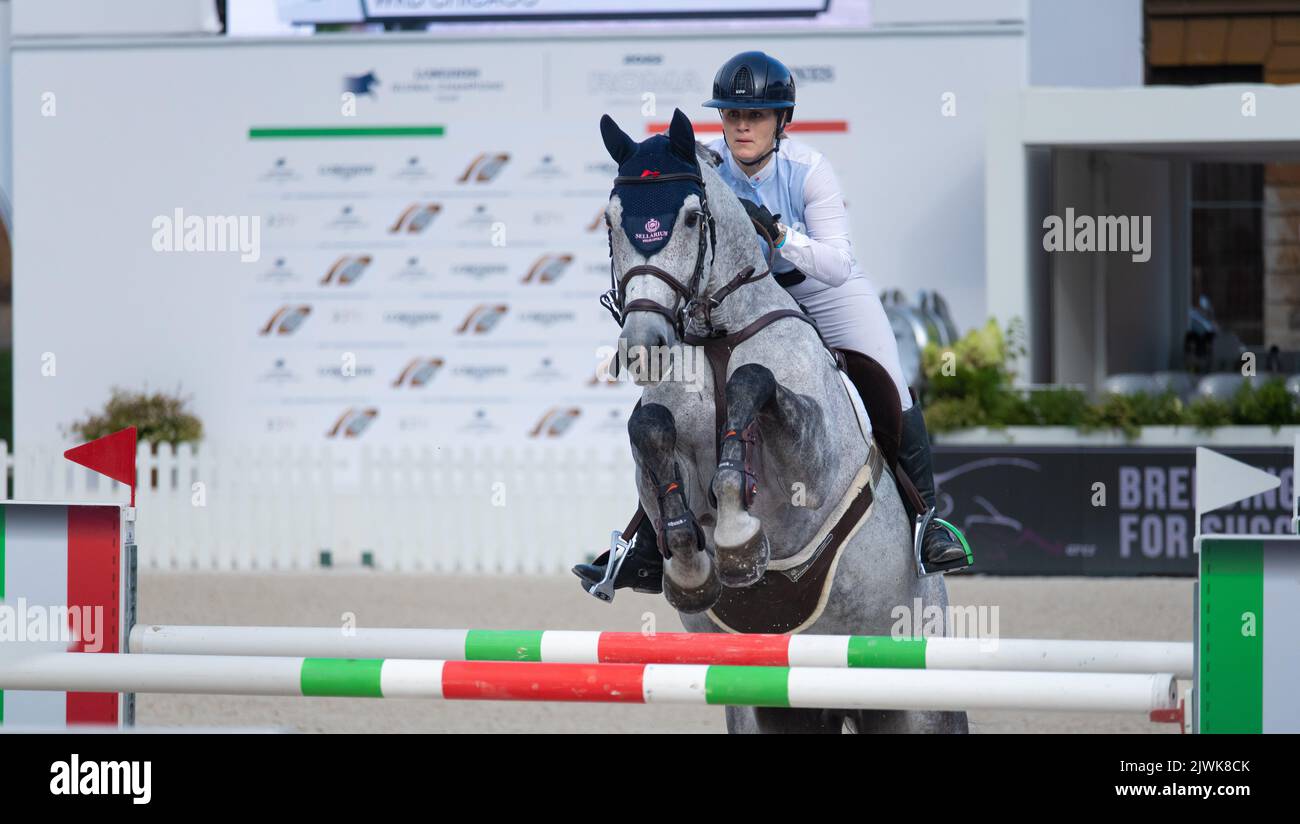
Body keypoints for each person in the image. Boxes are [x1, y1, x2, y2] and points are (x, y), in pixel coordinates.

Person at [574, 51, 970, 596]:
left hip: (821, 290)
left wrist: (780, 235)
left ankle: (928, 522)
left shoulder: (809, 170)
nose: (742, 125)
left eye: (757, 115)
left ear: (782, 120)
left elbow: (836, 263)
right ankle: (647, 541)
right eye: (733, 114)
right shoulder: (705, 165)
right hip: (740, 302)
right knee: (667, 406)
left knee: (890, 384)